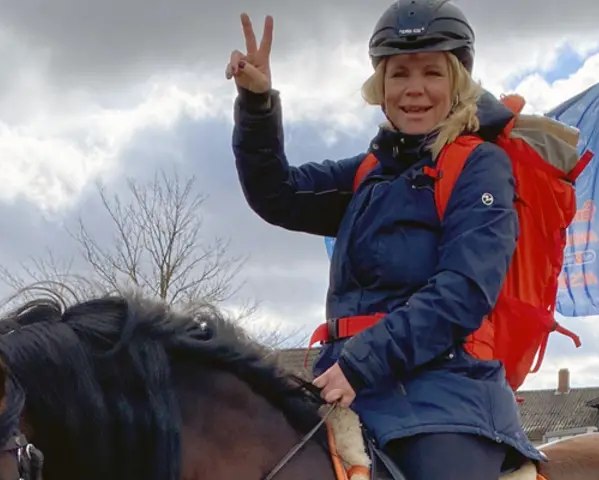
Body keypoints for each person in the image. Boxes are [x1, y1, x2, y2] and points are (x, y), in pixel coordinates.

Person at [226, 1, 548, 479]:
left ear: (457, 82)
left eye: (432, 72)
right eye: (399, 74)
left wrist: (362, 364)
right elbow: (278, 195)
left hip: (444, 397)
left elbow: (464, 291)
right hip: (344, 381)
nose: (414, 88)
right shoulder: (368, 172)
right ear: (381, 86)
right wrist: (257, 104)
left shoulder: (479, 166)